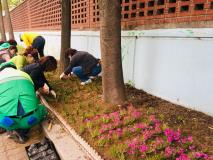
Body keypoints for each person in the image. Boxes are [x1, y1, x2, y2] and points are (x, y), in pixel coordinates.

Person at [0, 62, 47, 143]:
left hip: (9, 122)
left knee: (4, 114)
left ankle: (14, 130)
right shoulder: (24, 74)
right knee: (42, 108)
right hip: (32, 118)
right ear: (14, 67)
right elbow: (32, 91)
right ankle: (24, 128)